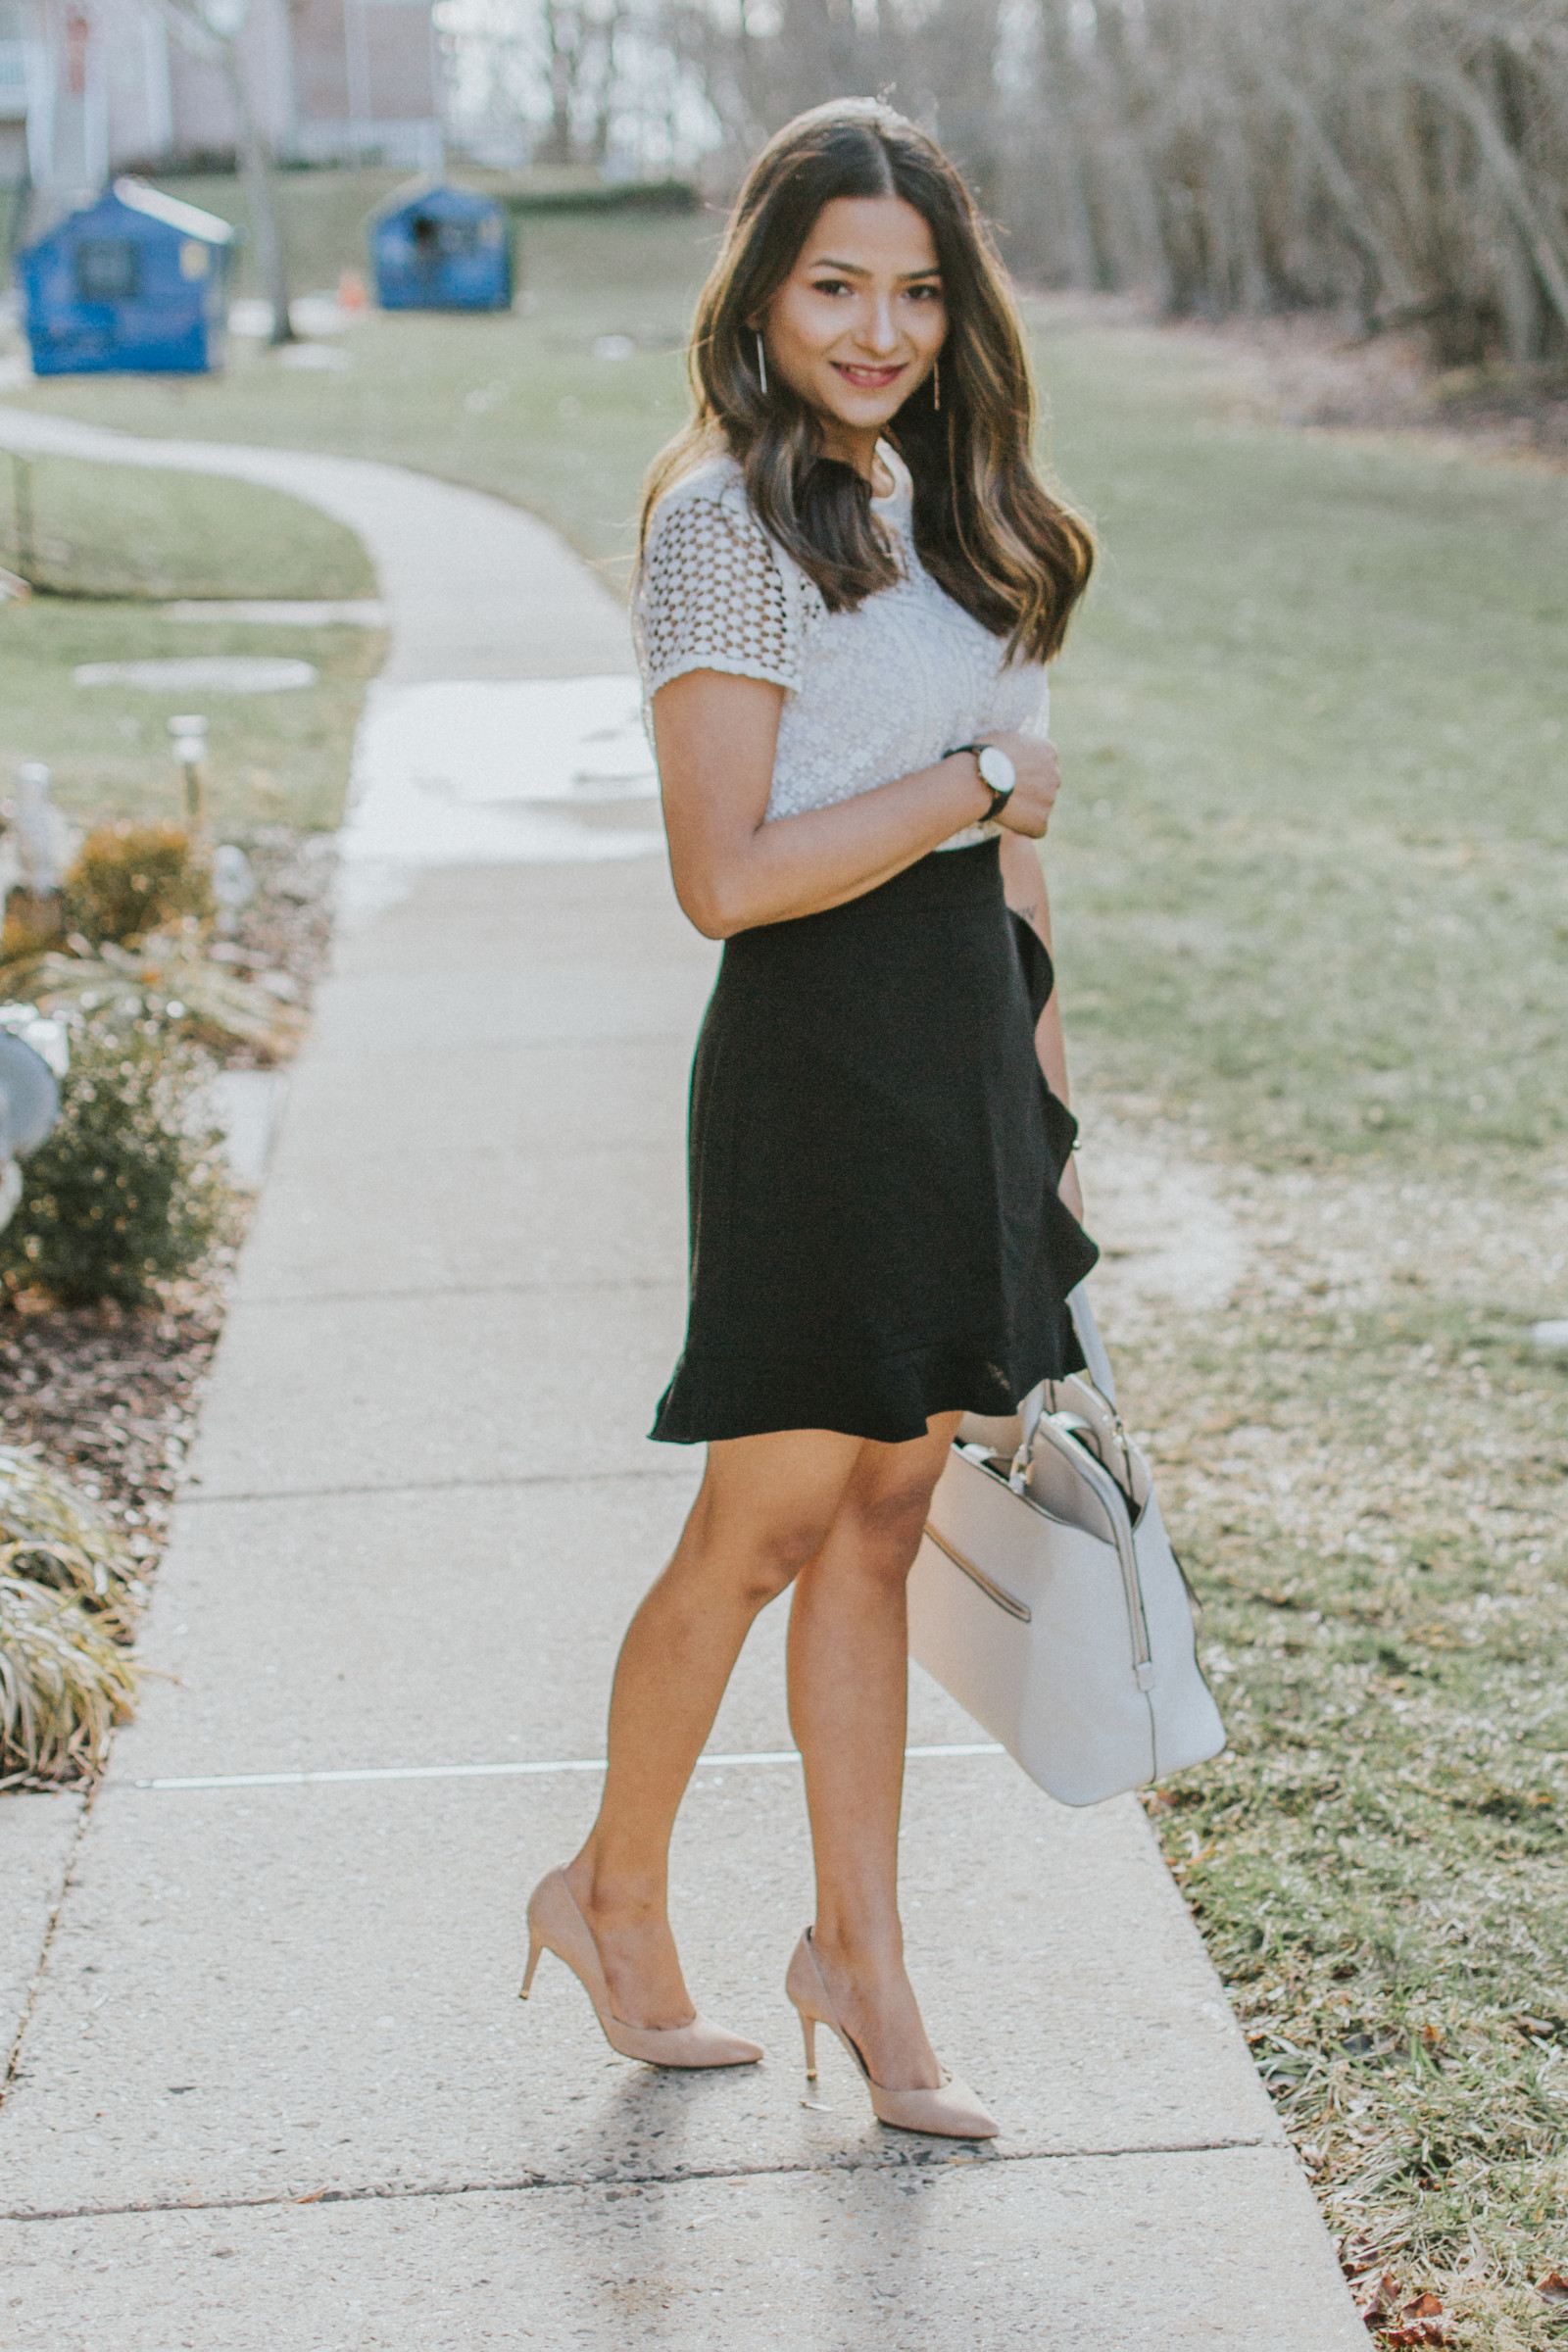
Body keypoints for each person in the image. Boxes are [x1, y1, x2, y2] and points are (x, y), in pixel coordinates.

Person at [522, 96, 1098, 2140]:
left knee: (878, 1522)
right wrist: (965, 789)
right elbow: (728, 874)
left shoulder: (960, 504)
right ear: (760, 289)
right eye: (836, 284)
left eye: (917, 289)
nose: (878, 327)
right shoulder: (723, 519)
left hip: (955, 1048)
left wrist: (1041, 1109)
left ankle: (858, 1958)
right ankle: (607, 1896)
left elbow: (1017, 856)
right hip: (812, 1058)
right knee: (761, 1523)